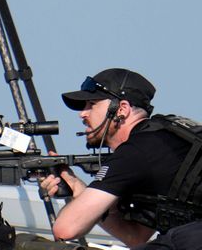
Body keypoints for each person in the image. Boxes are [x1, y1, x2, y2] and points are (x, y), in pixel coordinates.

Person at [40, 68, 202, 249]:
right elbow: (136, 236)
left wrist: (82, 198)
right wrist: (79, 190)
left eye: (91, 105)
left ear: (121, 109)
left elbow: (65, 229)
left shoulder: (136, 151)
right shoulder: (162, 138)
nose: (82, 114)